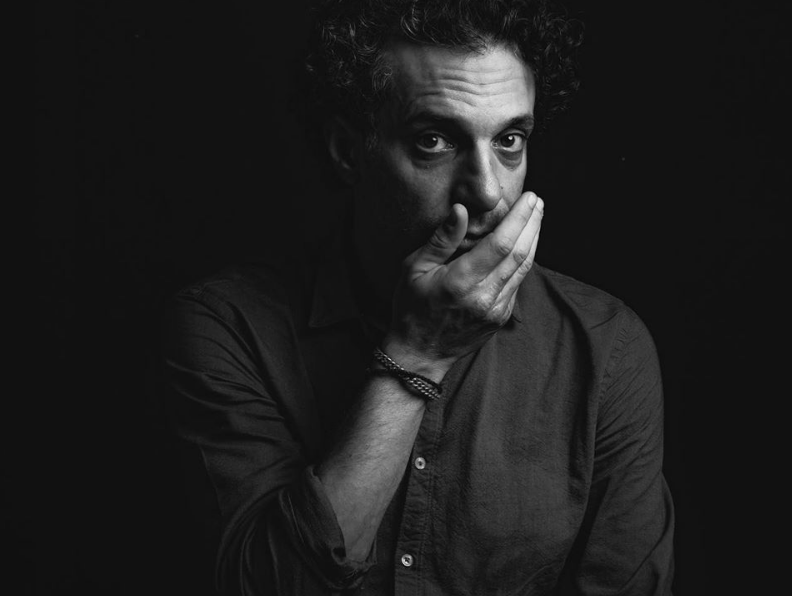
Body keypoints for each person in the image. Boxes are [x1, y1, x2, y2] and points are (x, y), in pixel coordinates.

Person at [160, 0, 675, 594]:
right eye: (434, 140)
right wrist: (416, 355)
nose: (488, 192)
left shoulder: (606, 348)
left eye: (509, 140)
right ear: (348, 150)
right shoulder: (227, 327)